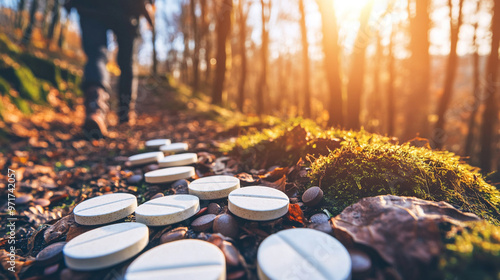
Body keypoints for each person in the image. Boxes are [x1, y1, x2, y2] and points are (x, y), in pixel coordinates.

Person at [65, 0, 154, 139]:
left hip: (92, 6)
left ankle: (95, 109)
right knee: (126, 62)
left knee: (97, 55)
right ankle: (124, 115)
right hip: (127, 7)